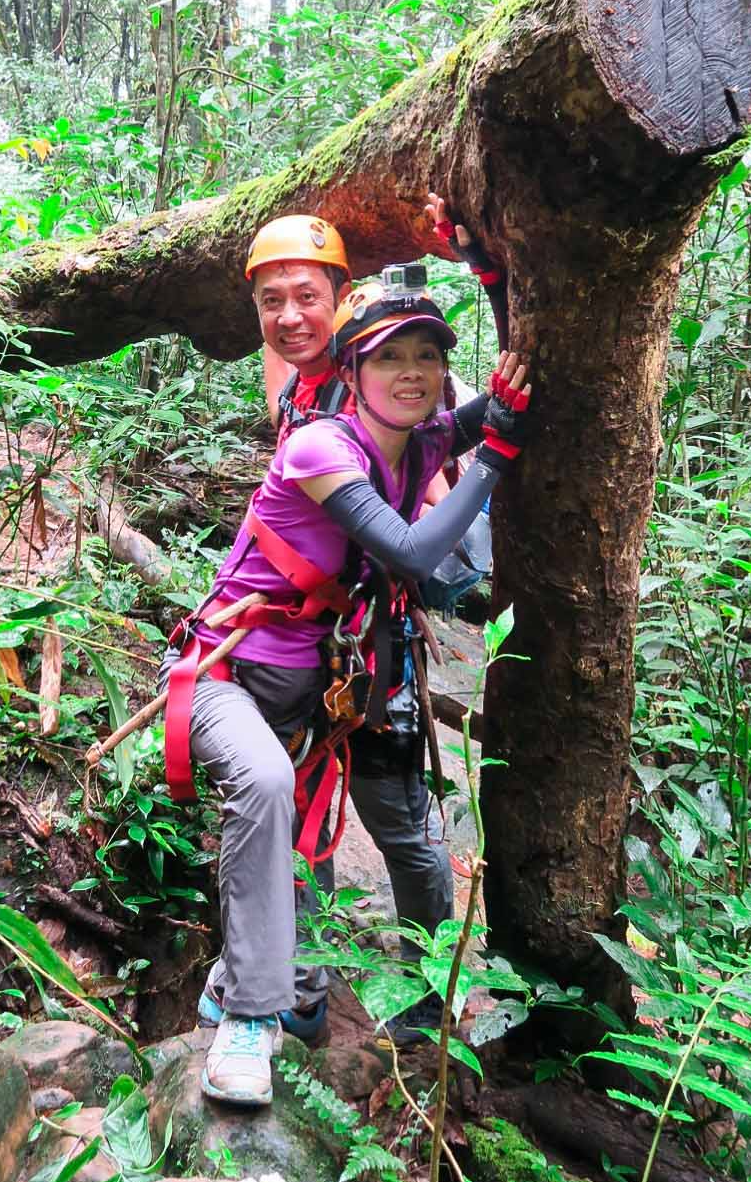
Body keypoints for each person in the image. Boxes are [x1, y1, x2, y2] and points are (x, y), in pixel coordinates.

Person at [162, 270, 532, 1107]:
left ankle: (330, 988)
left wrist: (492, 277)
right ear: (351, 371)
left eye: (428, 358)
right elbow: (407, 550)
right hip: (233, 675)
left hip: (330, 684)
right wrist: (495, 457)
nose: (409, 372)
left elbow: (475, 415)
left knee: (382, 826)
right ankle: (252, 1019)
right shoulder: (320, 446)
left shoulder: (423, 438)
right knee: (260, 788)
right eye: (387, 357)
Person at [244, 200, 510, 439]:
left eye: (307, 296)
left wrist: (488, 276)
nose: (288, 319)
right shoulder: (290, 393)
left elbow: (429, 481)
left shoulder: (372, 392)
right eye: (272, 300)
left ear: (342, 296)